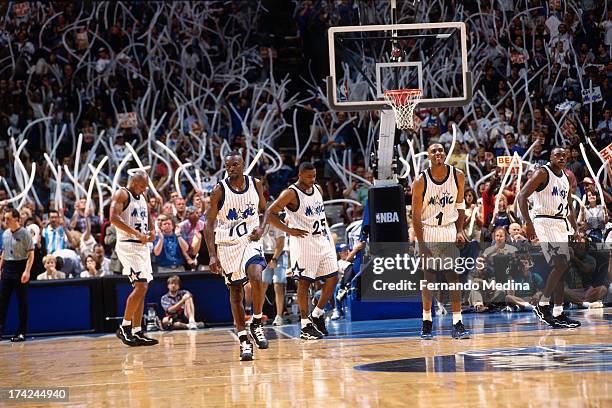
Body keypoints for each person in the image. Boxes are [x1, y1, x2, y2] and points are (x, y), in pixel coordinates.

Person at [261, 162, 339, 341]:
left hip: (322, 239)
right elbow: (270, 214)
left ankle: (317, 314)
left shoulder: (317, 188)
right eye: (308, 176)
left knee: (333, 277)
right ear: (300, 175)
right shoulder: (290, 193)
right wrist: (289, 231)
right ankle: (305, 325)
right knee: (303, 284)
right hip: (303, 243)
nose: (312, 179)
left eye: (314, 175)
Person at [204, 151, 268, 361]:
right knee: (235, 293)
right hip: (227, 243)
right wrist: (212, 256)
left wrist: (262, 228)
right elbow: (208, 225)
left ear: (243, 165)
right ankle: (243, 340)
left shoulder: (256, 184)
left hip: (250, 239)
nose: (231, 168)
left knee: (256, 275)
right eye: (228, 165)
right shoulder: (218, 191)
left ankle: (256, 321)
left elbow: (265, 211)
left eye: (235, 164)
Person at [411, 143, 470, 340]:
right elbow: (416, 216)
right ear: (428, 156)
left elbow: (460, 205)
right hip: (428, 230)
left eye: (441, 150)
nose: (438, 153)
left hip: (448, 229)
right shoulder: (421, 181)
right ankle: (427, 320)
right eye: (433, 151)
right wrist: (421, 245)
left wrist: (460, 230)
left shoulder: (458, 176)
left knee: (453, 277)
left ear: (445, 154)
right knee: (429, 278)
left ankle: (457, 322)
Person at [517, 147, 580, 328]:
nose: (561, 158)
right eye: (557, 155)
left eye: (564, 155)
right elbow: (522, 196)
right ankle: (543, 304)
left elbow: (569, 204)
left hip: (560, 223)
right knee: (560, 264)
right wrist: (528, 223)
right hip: (544, 221)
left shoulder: (566, 178)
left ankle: (558, 312)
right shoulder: (542, 173)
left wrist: (574, 227)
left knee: (561, 268)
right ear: (550, 157)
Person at [110, 171, 158, 346]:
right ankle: (124, 326)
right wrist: (137, 233)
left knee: (143, 289)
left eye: (145, 186)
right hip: (128, 245)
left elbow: (148, 217)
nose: (144, 189)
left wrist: (152, 231)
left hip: (142, 246)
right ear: (133, 182)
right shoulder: (121, 193)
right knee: (141, 285)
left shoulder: (142, 195)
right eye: (142, 186)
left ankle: (137, 331)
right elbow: (113, 219)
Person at [0, 208, 35, 342]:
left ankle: (21, 332)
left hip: (21, 267)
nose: (5, 221)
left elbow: (31, 254)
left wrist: (27, 271)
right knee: (2, 301)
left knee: (22, 302)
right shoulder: (5, 234)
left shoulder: (25, 234)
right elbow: (4, 253)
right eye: (5, 218)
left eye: (8, 218)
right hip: (8, 268)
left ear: (16, 219)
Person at [262, 223, 288, 326]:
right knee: (262, 285)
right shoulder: (259, 223)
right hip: (265, 255)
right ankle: (258, 315)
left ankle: (279, 316)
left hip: (279, 255)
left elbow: (281, 243)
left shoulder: (278, 224)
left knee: (278, 284)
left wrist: (274, 259)